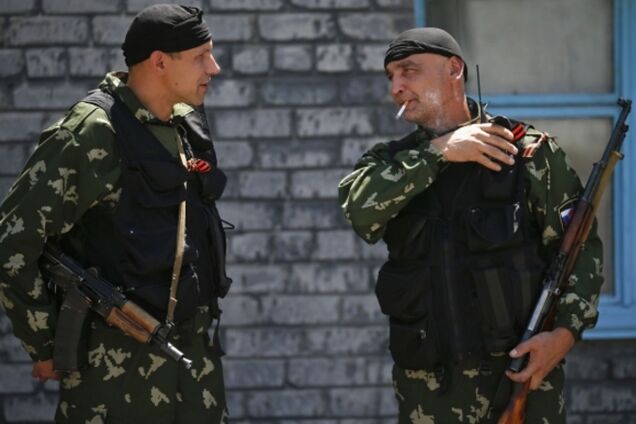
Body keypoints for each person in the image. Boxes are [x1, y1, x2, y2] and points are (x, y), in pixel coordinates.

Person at [338, 27, 603, 423]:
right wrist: (440, 152)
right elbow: (360, 211)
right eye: (390, 76)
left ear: (454, 69)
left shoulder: (526, 153)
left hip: (518, 379)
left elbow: (579, 251)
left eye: (408, 70)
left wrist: (564, 335)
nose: (397, 86)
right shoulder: (391, 163)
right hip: (429, 393)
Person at [0, 4, 231, 423]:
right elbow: (13, 242)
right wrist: (46, 344)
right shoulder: (92, 132)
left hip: (193, 362)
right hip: (115, 372)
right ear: (159, 62)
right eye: (200, 56)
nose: (213, 68)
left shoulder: (185, 123)